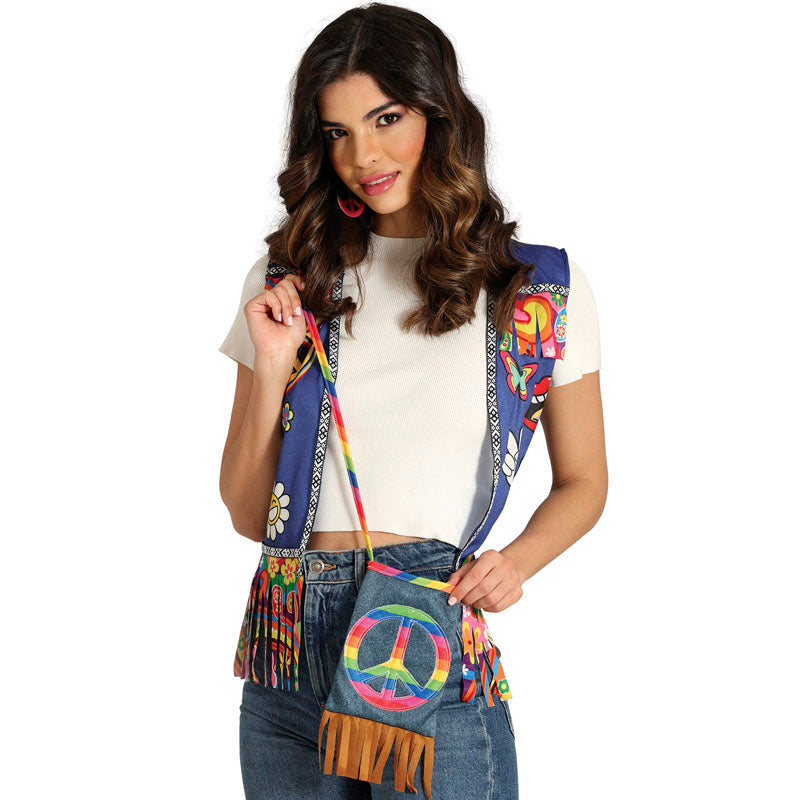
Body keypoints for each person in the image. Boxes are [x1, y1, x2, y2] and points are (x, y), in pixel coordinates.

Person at [218, 4, 607, 798]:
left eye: (386, 118)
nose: (362, 156)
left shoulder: (532, 291)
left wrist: (516, 563)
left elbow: (585, 481)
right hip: (288, 646)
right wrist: (272, 366)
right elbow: (249, 513)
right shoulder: (289, 284)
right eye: (337, 131)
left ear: (439, 112)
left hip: (426, 632)